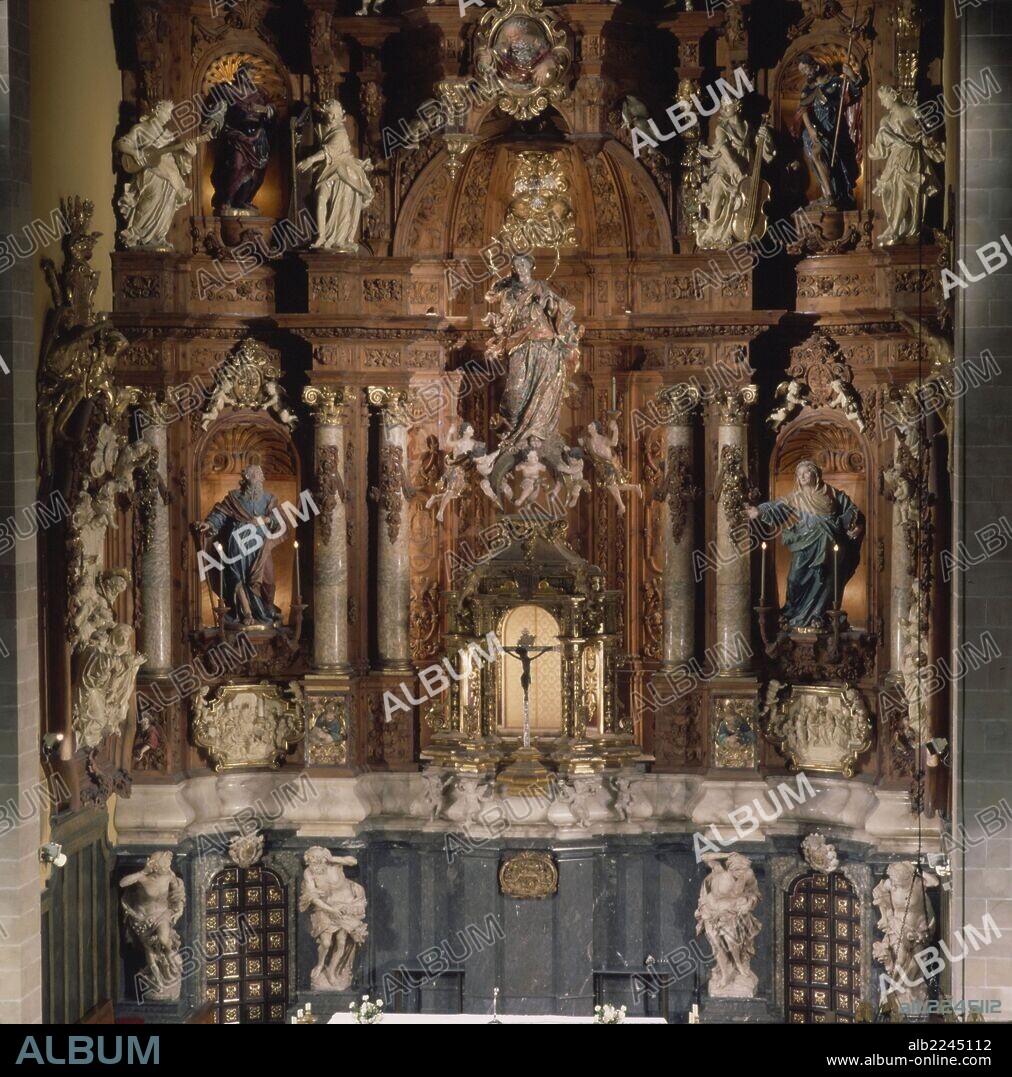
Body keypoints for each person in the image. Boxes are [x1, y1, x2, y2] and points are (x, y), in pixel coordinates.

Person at [746, 459, 863, 629]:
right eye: (799, 474)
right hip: (805, 544)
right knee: (794, 579)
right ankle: (793, 613)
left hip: (830, 544)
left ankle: (818, 615)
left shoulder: (833, 494)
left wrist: (856, 526)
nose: (802, 476)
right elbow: (777, 506)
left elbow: (852, 511)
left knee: (826, 580)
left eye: (806, 472)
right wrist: (759, 510)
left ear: (815, 474)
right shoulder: (796, 497)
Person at [196, 464, 283, 626]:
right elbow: (220, 514)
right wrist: (209, 524)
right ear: (247, 477)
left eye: (262, 474)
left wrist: (265, 520)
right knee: (238, 578)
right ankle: (246, 612)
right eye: (257, 474)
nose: (261, 478)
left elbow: (280, 518)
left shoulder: (269, 499)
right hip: (237, 545)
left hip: (260, 547)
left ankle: (265, 609)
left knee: (267, 580)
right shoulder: (234, 498)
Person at [115, 100, 196, 250]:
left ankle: (158, 236)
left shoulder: (170, 137)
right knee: (151, 199)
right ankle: (137, 235)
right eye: (167, 112)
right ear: (157, 111)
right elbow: (121, 144)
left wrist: (189, 155)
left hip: (170, 175)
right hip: (150, 173)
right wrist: (135, 152)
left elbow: (181, 162)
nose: (169, 117)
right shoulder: (140, 129)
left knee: (168, 202)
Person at [868, 86, 944, 245]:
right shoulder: (885, 120)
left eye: (883, 98)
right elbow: (881, 145)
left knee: (909, 190)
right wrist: (881, 141)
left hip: (912, 156)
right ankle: (898, 227)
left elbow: (931, 128)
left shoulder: (912, 111)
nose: (882, 103)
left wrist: (929, 137)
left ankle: (905, 229)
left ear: (893, 96)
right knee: (893, 191)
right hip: (895, 159)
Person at [297, 100, 374, 252]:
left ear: (340, 116)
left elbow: (328, 152)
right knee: (320, 198)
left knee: (341, 206)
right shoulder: (321, 128)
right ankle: (321, 236)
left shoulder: (340, 132)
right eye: (330, 114)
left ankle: (337, 238)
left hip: (341, 174)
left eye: (335, 115)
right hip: (327, 170)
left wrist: (310, 159)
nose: (332, 118)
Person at [791, 53, 864, 209]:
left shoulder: (836, 83)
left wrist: (851, 75)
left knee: (838, 168)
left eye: (805, 69)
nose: (804, 73)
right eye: (801, 71)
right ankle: (829, 194)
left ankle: (835, 196)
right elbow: (803, 110)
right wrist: (810, 130)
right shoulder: (807, 89)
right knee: (816, 155)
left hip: (835, 130)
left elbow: (855, 92)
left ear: (816, 66)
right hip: (816, 131)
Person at [206, 62, 275, 215]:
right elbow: (217, 107)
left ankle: (244, 200)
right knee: (236, 166)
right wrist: (213, 119)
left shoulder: (259, 93)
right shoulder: (229, 91)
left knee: (256, 171)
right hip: (237, 134)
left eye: (252, 75)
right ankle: (227, 199)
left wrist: (263, 109)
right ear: (240, 74)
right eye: (248, 74)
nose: (251, 77)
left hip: (257, 136)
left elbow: (272, 109)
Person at [299, 848, 368, 991]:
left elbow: (353, 861)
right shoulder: (309, 873)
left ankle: (331, 971)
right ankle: (320, 964)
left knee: (342, 942)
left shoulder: (333, 865)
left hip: (343, 908)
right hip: (325, 910)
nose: (315, 862)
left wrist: (333, 858)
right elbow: (314, 898)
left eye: (318, 859)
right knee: (326, 942)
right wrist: (331, 910)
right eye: (312, 859)